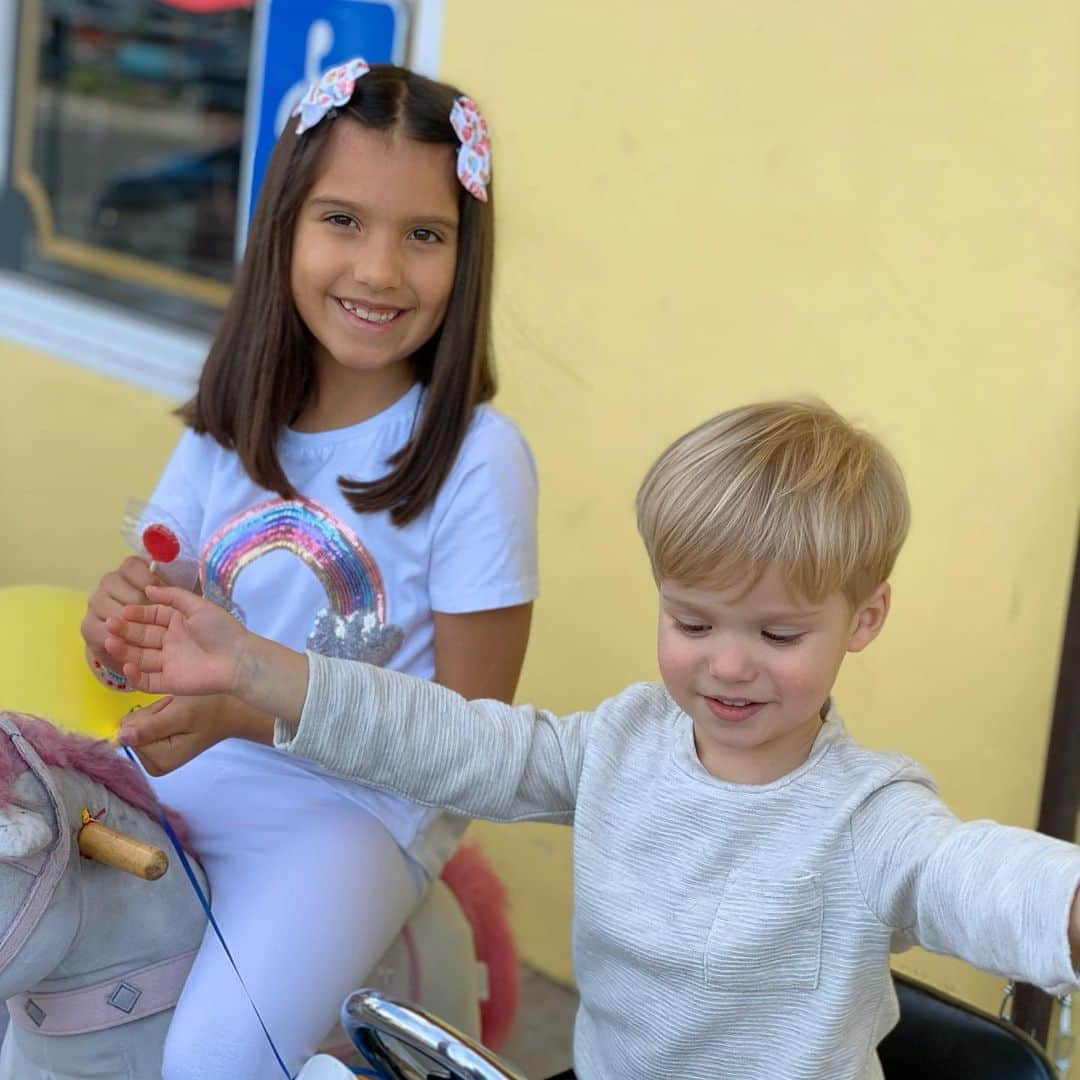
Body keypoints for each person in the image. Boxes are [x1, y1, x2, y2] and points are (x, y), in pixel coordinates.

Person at [107, 399, 1080, 1080]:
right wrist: (250, 666)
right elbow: (449, 739)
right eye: (692, 623)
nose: (727, 666)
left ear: (863, 620)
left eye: (778, 635)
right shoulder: (624, 742)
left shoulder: (872, 818)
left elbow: (976, 876)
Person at [82, 59, 538, 1079]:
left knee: (212, 1058)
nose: (379, 270)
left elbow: (479, 745)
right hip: (191, 768)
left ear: (467, 258)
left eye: (423, 234)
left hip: (357, 810)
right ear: (283, 224)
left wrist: (246, 710)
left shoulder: (474, 459)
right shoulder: (230, 429)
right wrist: (115, 623)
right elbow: (152, 625)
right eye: (343, 219)